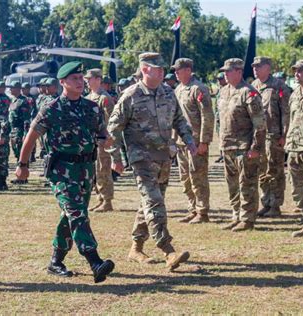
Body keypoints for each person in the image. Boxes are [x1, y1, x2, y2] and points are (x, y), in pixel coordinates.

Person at [15, 61, 115, 283]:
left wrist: (109, 145)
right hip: (61, 170)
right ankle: (94, 260)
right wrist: (22, 165)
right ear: (62, 83)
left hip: (86, 170)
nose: (80, 82)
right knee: (78, 214)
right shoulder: (50, 109)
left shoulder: (92, 108)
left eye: (81, 78)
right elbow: (31, 136)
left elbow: (102, 134)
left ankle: (55, 261)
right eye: (74, 79)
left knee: (70, 215)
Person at [108, 52, 196, 270]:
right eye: (158, 69)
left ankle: (136, 248)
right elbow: (113, 128)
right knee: (155, 203)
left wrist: (189, 140)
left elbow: (179, 120)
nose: (163, 72)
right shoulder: (131, 95)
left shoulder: (168, 92)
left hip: (164, 158)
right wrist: (115, 157)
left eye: (162, 68)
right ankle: (168, 251)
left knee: (148, 204)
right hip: (142, 160)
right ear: (145, 69)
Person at [217, 58, 266, 232]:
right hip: (227, 146)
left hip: (244, 147)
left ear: (238, 72)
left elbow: (259, 124)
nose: (225, 74)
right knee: (232, 184)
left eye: (228, 71)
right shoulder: (223, 92)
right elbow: (220, 119)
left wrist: (256, 147)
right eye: (224, 71)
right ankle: (236, 215)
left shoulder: (249, 93)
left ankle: (248, 218)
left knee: (247, 183)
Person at [172, 58, 214, 224]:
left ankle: (202, 211)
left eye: (179, 69)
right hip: (181, 141)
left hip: (196, 141)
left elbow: (207, 116)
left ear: (188, 70)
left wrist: (204, 141)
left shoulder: (198, 89)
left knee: (198, 176)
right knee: (185, 178)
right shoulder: (179, 89)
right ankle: (192, 208)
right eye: (175, 70)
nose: (175, 72)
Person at [251, 57, 291, 218]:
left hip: (274, 136)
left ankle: (275, 204)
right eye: (254, 67)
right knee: (261, 171)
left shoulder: (278, 86)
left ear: (268, 67)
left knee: (275, 170)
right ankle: (266, 202)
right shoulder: (253, 86)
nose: (255, 69)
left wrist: (284, 135)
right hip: (258, 137)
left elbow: (286, 113)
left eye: (259, 66)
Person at [85, 68, 116, 213]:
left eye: (89, 79)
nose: (87, 81)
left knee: (104, 169)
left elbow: (112, 120)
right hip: (92, 141)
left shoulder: (105, 98)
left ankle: (107, 200)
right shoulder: (89, 97)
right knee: (95, 171)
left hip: (103, 140)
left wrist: (110, 138)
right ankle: (100, 199)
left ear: (98, 79)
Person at [286, 60, 303, 239]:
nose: (296, 73)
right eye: (295, 70)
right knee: (297, 187)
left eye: (300, 70)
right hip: (294, 147)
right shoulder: (294, 94)